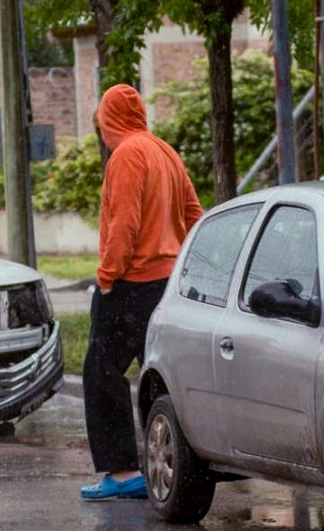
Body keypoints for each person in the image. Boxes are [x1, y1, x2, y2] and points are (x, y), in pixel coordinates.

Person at [80, 84, 203, 501]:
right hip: (168, 283)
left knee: (102, 374)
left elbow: (125, 223)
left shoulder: (127, 155)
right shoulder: (165, 152)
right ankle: (172, 464)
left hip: (130, 284)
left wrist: (107, 276)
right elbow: (193, 214)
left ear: (107, 121)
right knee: (160, 375)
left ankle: (122, 471)